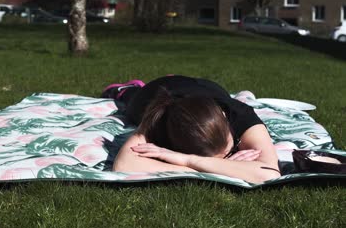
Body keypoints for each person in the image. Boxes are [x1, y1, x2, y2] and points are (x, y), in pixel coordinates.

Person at [101, 75, 281, 184]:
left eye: (227, 154)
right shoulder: (159, 119)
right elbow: (124, 165)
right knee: (131, 100)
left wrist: (186, 160)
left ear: (225, 119)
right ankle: (126, 88)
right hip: (153, 91)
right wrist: (227, 168)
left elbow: (269, 173)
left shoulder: (239, 114)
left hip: (207, 88)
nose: (224, 161)